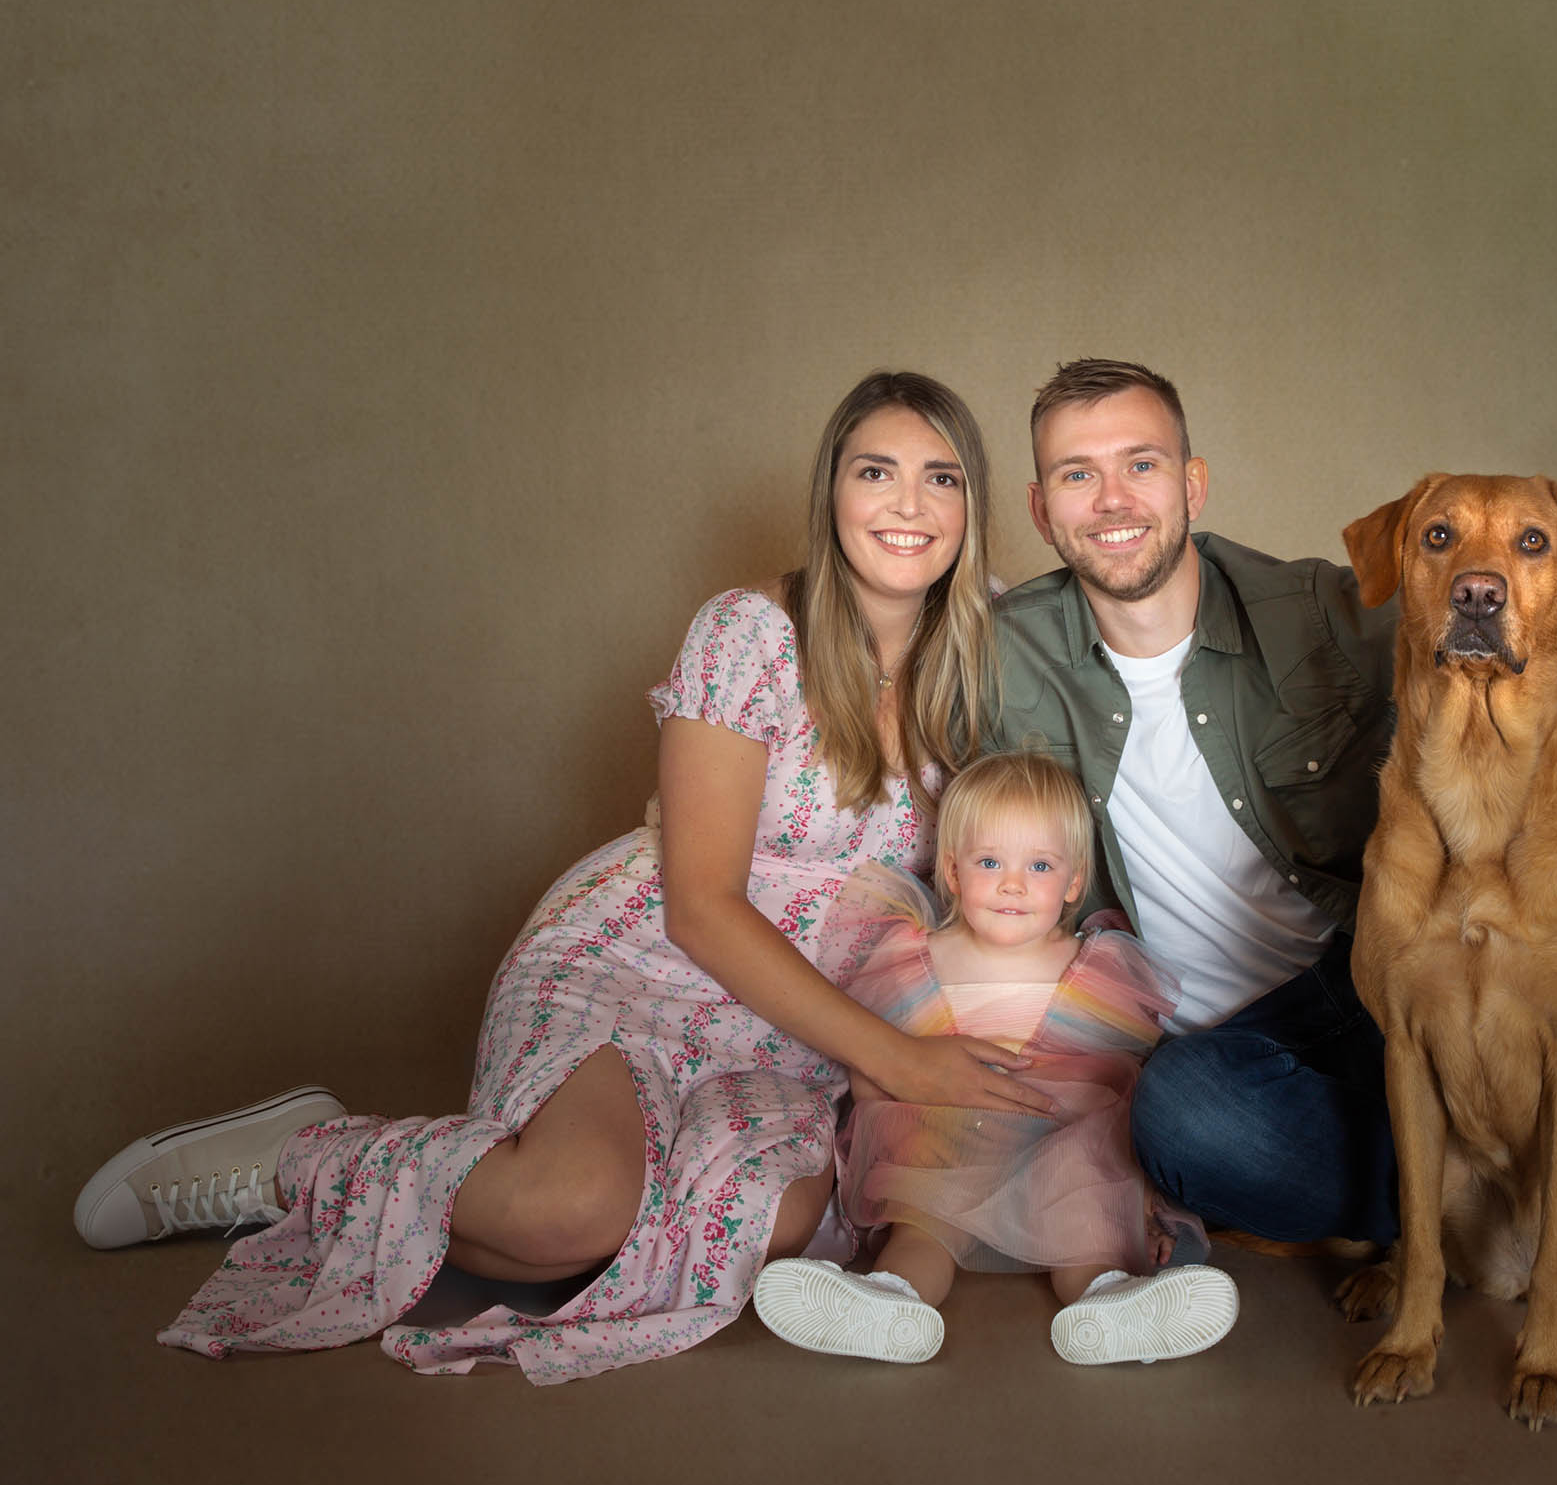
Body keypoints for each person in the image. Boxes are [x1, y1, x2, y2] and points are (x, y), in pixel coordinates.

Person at [71, 370, 1054, 1384]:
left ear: (971, 507)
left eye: (939, 478)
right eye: (875, 471)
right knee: (568, 1210)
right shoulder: (748, 632)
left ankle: (457, 1199)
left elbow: (1040, 837)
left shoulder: (994, 644)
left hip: (803, 1035)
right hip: (643, 966)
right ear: (831, 493)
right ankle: (301, 1161)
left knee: (772, 1228)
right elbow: (700, 908)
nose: (906, 504)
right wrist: (893, 1057)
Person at [986, 357, 1557, 1385]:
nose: (1114, 498)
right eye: (1077, 476)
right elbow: (872, 644)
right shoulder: (1007, 651)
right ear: (1041, 510)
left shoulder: (1308, 606)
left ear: (1192, 483)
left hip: (1376, 954)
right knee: (1178, 1117)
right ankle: (1451, 1214)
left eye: (1140, 462)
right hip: (1249, 1045)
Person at [752, 751, 1237, 1366]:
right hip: (946, 1142)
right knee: (923, 1227)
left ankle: (1109, 1300)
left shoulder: (1099, 967)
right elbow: (875, 1061)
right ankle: (891, 1299)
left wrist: (1139, 1185)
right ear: (952, 873)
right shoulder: (915, 957)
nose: (1013, 884)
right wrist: (891, 1124)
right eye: (990, 862)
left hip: (1063, 1144)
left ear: (1073, 881)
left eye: (1039, 865)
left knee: (1086, 1211)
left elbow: (1125, 1080)